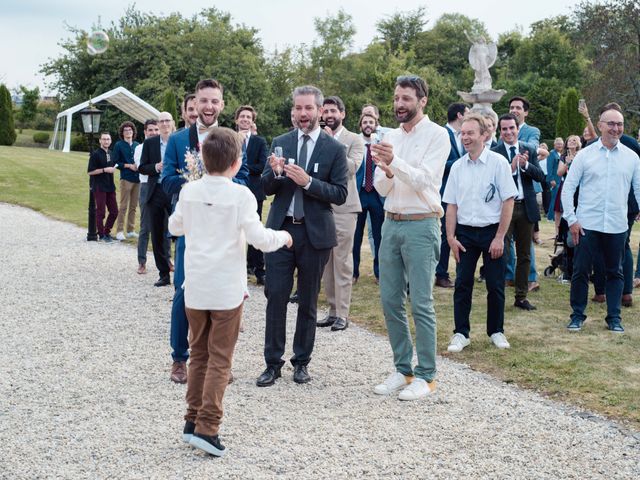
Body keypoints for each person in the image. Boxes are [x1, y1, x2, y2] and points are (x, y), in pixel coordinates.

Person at [169, 128, 292, 457]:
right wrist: (283, 237)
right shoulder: (241, 196)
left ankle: (191, 419)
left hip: (195, 287)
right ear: (237, 163)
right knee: (220, 360)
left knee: (198, 356)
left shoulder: (189, 191)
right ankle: (208, 428)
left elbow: (174, 227)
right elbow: (260, 239)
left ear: (203, 159)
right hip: (225, 290)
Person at [256, 85, 348, 387]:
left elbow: (340, 194)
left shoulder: (334, 149)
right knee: (276, 296)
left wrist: (309, 183)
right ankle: (272, 363)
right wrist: (273, 173)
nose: (302, 114)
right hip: (281, 231)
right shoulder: (281, 142)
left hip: (314, 234)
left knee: (308, 300)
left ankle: (301, 362)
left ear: (320, 111)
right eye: (297, 108)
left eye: (308, 108)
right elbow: (267, 187)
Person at [163, 78, 249, 384]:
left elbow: (245, 178)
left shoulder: (233, 139)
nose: (209, 106)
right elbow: (166, 182)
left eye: (214, 101)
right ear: (194, 104)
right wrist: (195, 183)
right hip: (193, 228)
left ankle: (218, 362)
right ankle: (179, 358)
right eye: (203, 101)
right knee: (183, 291)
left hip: (226, 232)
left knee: (225, 293)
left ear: (222, 105)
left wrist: (218, 182)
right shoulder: (176, 141)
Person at [372, 75, 450, 401]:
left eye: (406, 98)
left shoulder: (438, 135)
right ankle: (403, 368)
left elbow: (424, 181)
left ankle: (427, 376)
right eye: (396, 98)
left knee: (420, 302)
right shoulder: (390, 135)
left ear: (422, 101)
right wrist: (388, 170)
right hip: (391, 222)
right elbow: (380, 186)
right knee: (390, 300)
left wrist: (394, 162)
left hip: (422, 223)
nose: (399, 104)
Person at [562, 104, 640, 333]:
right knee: (581, 271)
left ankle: (614, 317)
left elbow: (638, 189)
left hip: (616, 225)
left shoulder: (632, 158)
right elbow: (568, 189)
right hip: (587, 225)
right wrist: (572, 220)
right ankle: (577, 315)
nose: (616, 129)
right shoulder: (585, 155)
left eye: (620, 124)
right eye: (611, 124)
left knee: (615, 272)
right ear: (600, 125)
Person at [443, 113, 517, 353]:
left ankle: (496, 331)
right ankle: (460, 333)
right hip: (465, 233)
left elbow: (508, 201)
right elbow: (451, 205)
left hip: (492, 231)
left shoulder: (498, 163)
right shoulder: (456, 167)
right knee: (462, 283)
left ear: (484, 135)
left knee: (495, 285)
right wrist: (451, 237)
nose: (465, 137)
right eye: (462, 133)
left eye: (470, 133)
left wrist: (499, 237)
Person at [317, 96, 364, 331]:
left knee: (343, 261)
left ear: (342, 114)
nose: (329, 115)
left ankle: (343, 314)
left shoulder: (354, 139)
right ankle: (332, 310)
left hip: (345, 208)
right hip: (322, 206)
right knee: (326, 261)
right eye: (325, 111)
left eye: (333, 111)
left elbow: (352, 168)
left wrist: (331, 144)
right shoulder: (319, 138)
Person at [492, 113, 545, 311]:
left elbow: (541, 177)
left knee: (524, 254)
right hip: (504, 209)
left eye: (511, 128)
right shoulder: (495, 152)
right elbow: (491, 183)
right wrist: (511, 168)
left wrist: (526, 165)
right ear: (500, 131)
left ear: (517, 129)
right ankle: (497, 294)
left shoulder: (529, 149)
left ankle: (521, 296)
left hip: (526, 207)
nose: (508, 132)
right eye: (504, 129)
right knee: (501, 253)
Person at [139, 112, 175, 288]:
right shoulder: (150, 143)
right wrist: (155, 167)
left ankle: (182, 270)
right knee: (157, 233)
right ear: (158, 124)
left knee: (180, 232)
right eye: (161, 121)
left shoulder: (178, 140)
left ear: (172, 123)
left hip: (175, 190)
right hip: (156, 191)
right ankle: (163, 274)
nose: (165, 123)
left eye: (167, 120)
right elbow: (142, 167)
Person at [436, 103, 469, 289]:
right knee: (444, 234)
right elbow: (439, 163)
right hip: (444, 191)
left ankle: (457, 271)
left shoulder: (463, 136)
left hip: (461, 192)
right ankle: (441, 273)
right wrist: (461, 161)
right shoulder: (442, 134)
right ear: (459, 115)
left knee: (458, 232)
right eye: (468, 113)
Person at [235, 105, 268, 285]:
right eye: (242, 116)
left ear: (252, 121)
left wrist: (240, 168)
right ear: (237, 120)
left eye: (248, 117)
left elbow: (261, 165)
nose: (245, 119)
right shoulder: (229, 138)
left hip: (255, 191)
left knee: (254, 229)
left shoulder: (259, 142)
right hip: (233, 190)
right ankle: (238, 266)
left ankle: (259, 269)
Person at [352, 112, 385, 284]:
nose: (368, 125)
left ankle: (379, 273)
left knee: (379, 236)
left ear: (376, 125)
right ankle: (353, 273)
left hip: (376, 194)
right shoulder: (355, 143)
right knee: (355, 235)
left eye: (371, 122)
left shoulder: (381, 144)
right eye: (365, 122)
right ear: (360, 126)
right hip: (359, 193)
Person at [133, 119, 160, 274]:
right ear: (145, 132)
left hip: (161, 185)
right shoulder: (140, 148)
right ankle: (142, 262)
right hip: (146, 186)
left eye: (156, 129)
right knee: (145, 226)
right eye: (151, 130)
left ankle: (166, 260)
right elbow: (141, 167)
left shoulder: (164, 145)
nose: (154, 132)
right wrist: (157, 167)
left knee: (164, 226)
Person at [111, 121, 140, 241]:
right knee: (123, 206)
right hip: (126, 178)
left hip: (137, 179)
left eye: (130, 130)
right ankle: (119, 231)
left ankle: (130, 230)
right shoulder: (118, 145)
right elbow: (115, 163)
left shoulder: (138, 145)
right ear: (122, 133)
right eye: (126, 130)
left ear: (133, 132)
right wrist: (128, 166)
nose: (128, 132)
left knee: (133, 206)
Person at [87, 132, 118, 243]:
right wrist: (105, 169)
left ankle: (106, 232)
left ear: (110, 141)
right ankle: (101, 235)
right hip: (99, 186)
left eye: (108, 139)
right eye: (104, 139)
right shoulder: (95, 154)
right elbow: (90, 172)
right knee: (101, 212)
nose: (106, 141)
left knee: (114, 211)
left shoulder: (111, 153)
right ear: (100, 141)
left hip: (110, 186)